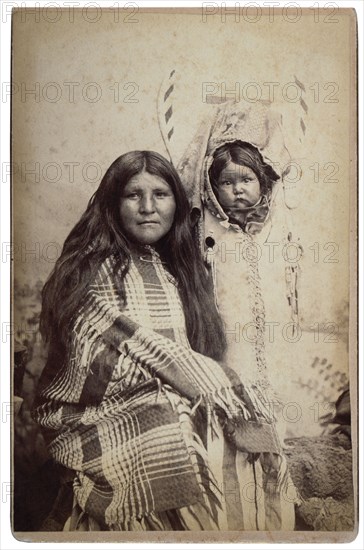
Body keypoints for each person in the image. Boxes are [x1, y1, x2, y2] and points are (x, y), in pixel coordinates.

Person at [33, 149, 293, 532]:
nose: (147, 207)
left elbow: (187, 352)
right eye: (133, 195)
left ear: (177, 202)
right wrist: (177, 384)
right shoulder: (88, 270)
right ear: (113, 203)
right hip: (99, 411)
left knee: (236, 436)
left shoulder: (178, 269)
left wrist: (190, 386)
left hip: (171, 393)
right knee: (173, 432)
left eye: (160, 194)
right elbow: (94, 358)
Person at [178, 101, 301, 530]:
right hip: (228, 353)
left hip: (269, 354)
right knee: (231, 436)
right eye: (226, 182)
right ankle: (236, 525)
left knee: (272, 433)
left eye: (246, 179)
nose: (238, 190)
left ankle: (275, 524)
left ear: (262, 182)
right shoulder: (207, 238)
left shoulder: (275, 231)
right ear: (213, 190)